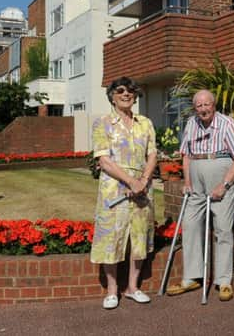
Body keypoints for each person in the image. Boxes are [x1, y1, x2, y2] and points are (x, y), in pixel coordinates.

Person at [166, 89, 234, 301]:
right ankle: (192, 277)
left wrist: (225, 184)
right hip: (197, 177)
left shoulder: (227, 123)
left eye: (206, 104)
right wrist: (187, 181)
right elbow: (186, 155)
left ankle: (223, 280)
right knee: (190, 224)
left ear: (214, 104)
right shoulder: (192, 123)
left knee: (222, 228)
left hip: (221, 174)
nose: (202, 109)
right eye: (199, 106)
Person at [90, 76, 158, 310]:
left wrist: (143, 181)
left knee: (139, 237)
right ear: (112, 96)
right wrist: (130, 181)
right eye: (120, 91)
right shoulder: (102, 123)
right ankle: (111, 291)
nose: (126, 94)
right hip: (114, 189)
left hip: (142, 188)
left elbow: (152, 155)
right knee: (112, 238)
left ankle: (132, 287)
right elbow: (104, 160)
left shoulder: (145, 123)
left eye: (130, 90)